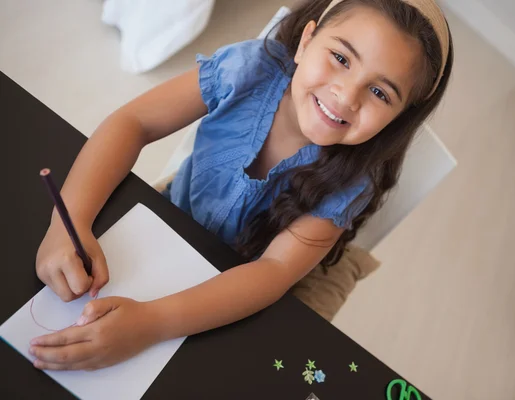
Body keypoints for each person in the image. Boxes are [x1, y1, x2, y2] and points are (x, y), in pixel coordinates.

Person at [31, 0, 453, 371]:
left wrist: (151, 324)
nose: (345, 96)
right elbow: (133, 122)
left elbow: (271, 273)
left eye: (380, 92)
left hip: (253, 280)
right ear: (307, 41)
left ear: (398, 118)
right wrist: (69, 221)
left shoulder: (352, 182)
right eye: (341, 58)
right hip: (172, 219)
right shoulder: (247, 68)